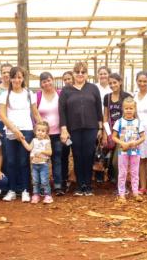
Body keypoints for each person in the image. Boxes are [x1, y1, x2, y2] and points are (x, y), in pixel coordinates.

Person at [59, 62, 103, 196]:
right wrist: (64, 128)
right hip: (74, 129)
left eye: (83, 72)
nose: (80, 74)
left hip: (91, 128)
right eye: (77, 72)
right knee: (77, 155)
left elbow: (98, 108)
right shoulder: (66, 90)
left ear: (87, 74)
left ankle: (88, 185)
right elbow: (62, 111)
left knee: (89, 155)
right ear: (73, 74)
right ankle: (79, 185)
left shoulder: (93, 88)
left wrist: (100, 127)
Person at [0, 66, 41, 202]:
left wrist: (42, 126)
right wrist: (14, 129)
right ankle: (12, 190)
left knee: (23, 161)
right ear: (10, 78)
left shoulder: (29, 93)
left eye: (19, 77)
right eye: (14, 77)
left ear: (23, 78)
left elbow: (35, 113)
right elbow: (3, 116)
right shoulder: (5, 95)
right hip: (11, 131)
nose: (17, 80)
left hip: (27, 130)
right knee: (11, 161)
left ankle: (24, 190)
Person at [112, 97, 145, 203]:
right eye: (126, 108)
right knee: (122, 172)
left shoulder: (138, 122)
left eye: (131, 108)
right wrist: (122, 143)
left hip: (135, 151)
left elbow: (143, 137)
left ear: (134, 109)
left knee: (135, 172)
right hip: (123, 151)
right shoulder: (119, 122)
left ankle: (135, 192)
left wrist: (136, 143)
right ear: (123, 109)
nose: (129, 110)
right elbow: (114, 136)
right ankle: (121, 194)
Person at [36, 72, 64, 195]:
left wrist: (65, 129)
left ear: (53, 80)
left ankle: (58, 185)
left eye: (48, 80)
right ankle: (43, 186)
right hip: (42, 137)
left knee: (57, 159)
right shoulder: (37, 96)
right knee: (42, 161)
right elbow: (34, 114)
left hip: (57, 133)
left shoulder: (60, 94)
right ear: (41, 84)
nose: (47, 83)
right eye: (44, 81)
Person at [101, 73, 132, 183]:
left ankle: (121, 184)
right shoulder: (107, 97)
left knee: (118, 160)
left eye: (115, 82)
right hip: (110, 132)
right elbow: (105, 116)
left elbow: (131, 114)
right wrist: (105, 133)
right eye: (110, 83)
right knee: (109, 158)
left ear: (120, 82)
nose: (112, 85)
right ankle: (114, 180)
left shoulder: (127, 97)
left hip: (123, 132)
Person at [20, 121, 54, 204]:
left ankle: (48, 195)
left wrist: (42, 152)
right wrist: (22, 140)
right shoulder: (34, 140)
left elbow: (50, 152)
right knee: (35, 181)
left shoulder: (47, 142)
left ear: (46, 133)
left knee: (44, 181)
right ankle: (36, 195)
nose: (40, 132)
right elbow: (28, 148)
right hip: (34, 165)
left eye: (43, 131)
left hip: (43, 165)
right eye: (38, 130)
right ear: (35, 131)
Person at [60, 71, 74, 191]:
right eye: (65, 79)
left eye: (69, 78)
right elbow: (62, 111)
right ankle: (64, 179)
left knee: (77, 155)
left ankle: (76, 178)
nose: (68, 81)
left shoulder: (78, 91)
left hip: (76, 130)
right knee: (64, 154)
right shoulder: (63, 93)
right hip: (66, 131)